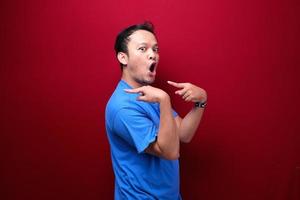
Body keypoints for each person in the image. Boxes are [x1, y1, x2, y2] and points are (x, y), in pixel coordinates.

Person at [105, 22, 207, 200]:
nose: (153, 55)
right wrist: (165, 100)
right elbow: (170, 152)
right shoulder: (122, 107)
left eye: (155, 49)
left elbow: (183, 133)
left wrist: (201, 101)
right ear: (123, 58)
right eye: (143, 49)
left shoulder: (150, 95)